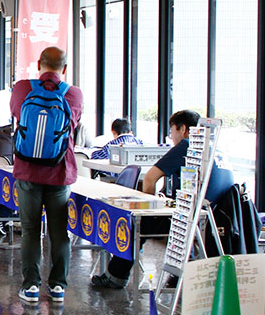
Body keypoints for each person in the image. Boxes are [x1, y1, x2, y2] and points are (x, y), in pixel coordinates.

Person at [92, 110, 234, 289]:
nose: (171, 137)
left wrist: (149, 209)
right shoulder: (216, 148)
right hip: (217, 218)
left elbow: (150, 178)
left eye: (172, 131)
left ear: (183, 129)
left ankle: (115, 276)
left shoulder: (187, 145)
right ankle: (179, 277)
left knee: (136, 223)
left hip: (193, 219)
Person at [10, 47, 83, 304]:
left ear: (38, 63)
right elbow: (72, 126)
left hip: (28, 171)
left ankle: (31, 286)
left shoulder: (22, 89)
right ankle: (58, 287)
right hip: (60, 172)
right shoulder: (74, 94)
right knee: (59, 232)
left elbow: (18, 117)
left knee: (30, 230)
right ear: (65, 68)